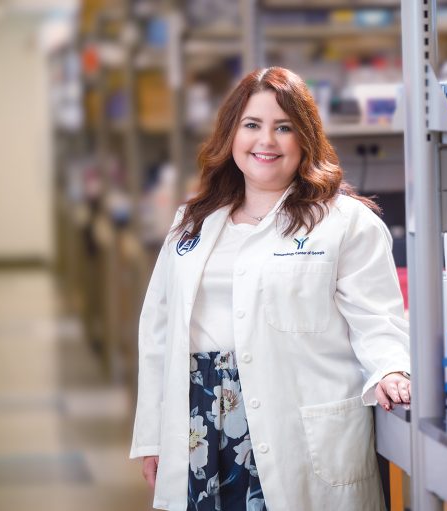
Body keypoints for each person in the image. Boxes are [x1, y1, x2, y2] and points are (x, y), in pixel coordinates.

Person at [129, 66, 411, 511]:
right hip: (200, 423)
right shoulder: (192, 222)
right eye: (252, 125)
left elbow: (377, 318)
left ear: (305, 138)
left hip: (299, 426)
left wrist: (392, 369)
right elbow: (158, 334)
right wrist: (152, 437)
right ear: (231, 134)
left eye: (284, 127)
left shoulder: (346, 222)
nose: (266, 141)